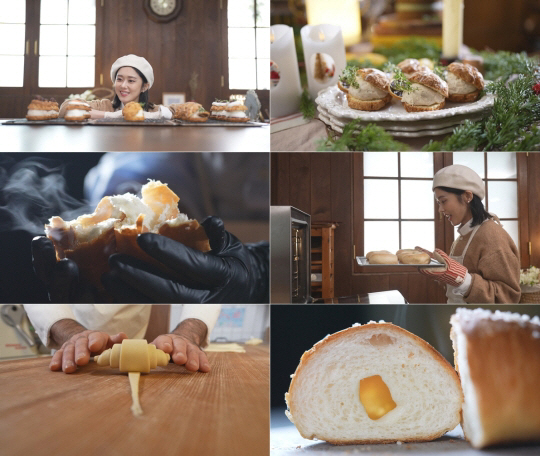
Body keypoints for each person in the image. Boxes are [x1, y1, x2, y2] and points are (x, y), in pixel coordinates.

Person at [417, 164, 521, 303]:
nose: (440, 209)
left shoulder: (492, 235)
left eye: (443, 201)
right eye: (438, 203)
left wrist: (462, 279)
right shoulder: (463, 236)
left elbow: (508, 297)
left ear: (467, 196)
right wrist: (439, 269)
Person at [23, 304, 220, 374]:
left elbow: (208, 284)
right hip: (72, 354)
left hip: (136, 348)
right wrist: (72, 333)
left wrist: (188, 333)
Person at [58, 54, 173, 120]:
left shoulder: (155, 111)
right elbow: (67, 107)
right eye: (119, 79)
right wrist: (111, 115)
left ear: (144, 86)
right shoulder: (103, 106)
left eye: (131, 81)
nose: (123, 85)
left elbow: (179, 111)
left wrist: (149, 115)